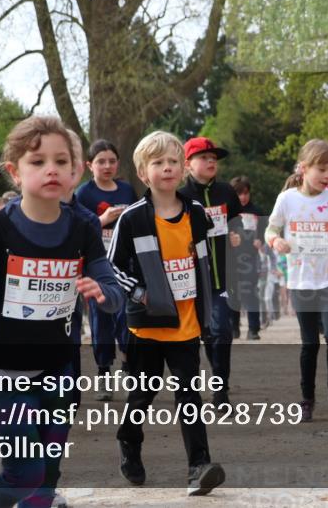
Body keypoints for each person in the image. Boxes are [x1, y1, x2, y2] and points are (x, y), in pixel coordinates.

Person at [0, 116, 123, 508]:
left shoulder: (83, 228)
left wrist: (103, 292)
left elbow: (113, 289)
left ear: (74, 173)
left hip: (60, 369)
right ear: (15, 172)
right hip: (8, 371)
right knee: (23, 472)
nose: (51, 169)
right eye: (37, 161)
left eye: (61, 161)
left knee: (45, 478)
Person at [107, 130, 226, 496]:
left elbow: (205, 262)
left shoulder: (196, 215)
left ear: (182, 169)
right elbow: (111, 266)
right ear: (144, 173)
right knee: (143, 395)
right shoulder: (132, 218)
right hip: (147, 327)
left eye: (174, 161)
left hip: (187, 325)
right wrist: (140, 293)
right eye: (158, 163)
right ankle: (129, 439)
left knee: (189, 397)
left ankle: (198, 467)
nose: (167, 168)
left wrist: (212, 301)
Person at [265, 139, 328, 421]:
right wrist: (276, 240)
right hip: (301, 282)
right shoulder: (287, 199)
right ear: (304, 168)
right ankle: (307, 398)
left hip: (327, 281)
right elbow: (270, 229)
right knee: (310, 343)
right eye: (322, 170)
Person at [179, 137, 242, 407]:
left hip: (221, 277)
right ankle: (195, 390)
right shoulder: (181, 196)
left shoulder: (227, 192)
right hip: (190, 279)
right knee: (200, 336)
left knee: (222, 332)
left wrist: (237, 234)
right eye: (204, 157)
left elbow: (238, 222)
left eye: (213, 157)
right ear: (188, 164)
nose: (211, 161)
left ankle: (221, 389)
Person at [231, 175, 267, 340]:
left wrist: (261, 239)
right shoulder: (228, 212)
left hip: (251, 258)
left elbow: (266, 231)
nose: (243, 197)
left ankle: (253, 329)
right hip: (232, 258)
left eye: (246, 193)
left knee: (251, 292)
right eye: (239, 194)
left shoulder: (257, 212)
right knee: (233, 293)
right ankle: (234, 327)